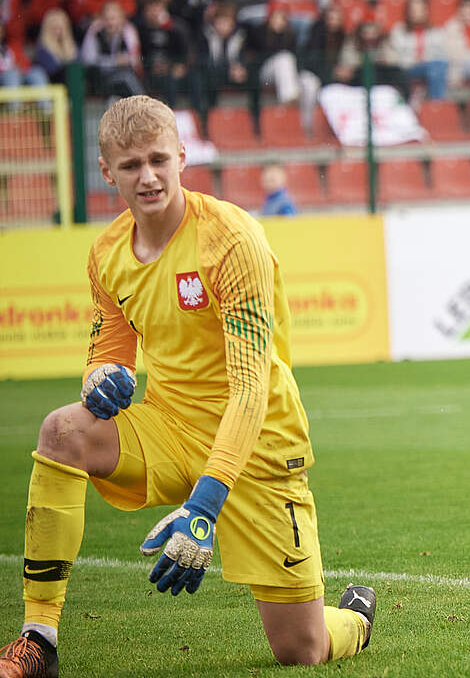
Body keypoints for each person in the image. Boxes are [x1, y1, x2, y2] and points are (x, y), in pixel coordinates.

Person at [0, 95, 375, 678]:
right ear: (107, 173)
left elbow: (250, 388)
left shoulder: (230, 239)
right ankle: (37, 640)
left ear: (181, 157)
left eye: (158, 160)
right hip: (171, 427)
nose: (147, 177)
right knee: (62, 430)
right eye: (130, 166)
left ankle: (353, 618)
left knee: (300, 651)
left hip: (258, 441)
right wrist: (99, 379)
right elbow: (107, 353)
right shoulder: (106, 255)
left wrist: (203, 505)